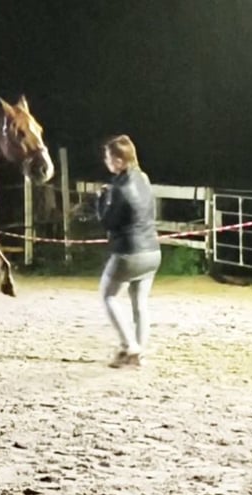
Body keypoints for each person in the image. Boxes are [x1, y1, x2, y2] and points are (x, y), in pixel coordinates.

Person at [96, 135, 161, 368]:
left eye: (108, 157)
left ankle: (129, 345)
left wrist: (102, 199)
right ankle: (138, 354)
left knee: (108, 295)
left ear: (119, 160)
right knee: (140, 303)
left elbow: (107, 222)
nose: (106, 162)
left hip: (129, 253)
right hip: (152, 251)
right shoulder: (143, 178)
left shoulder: (118, 189)